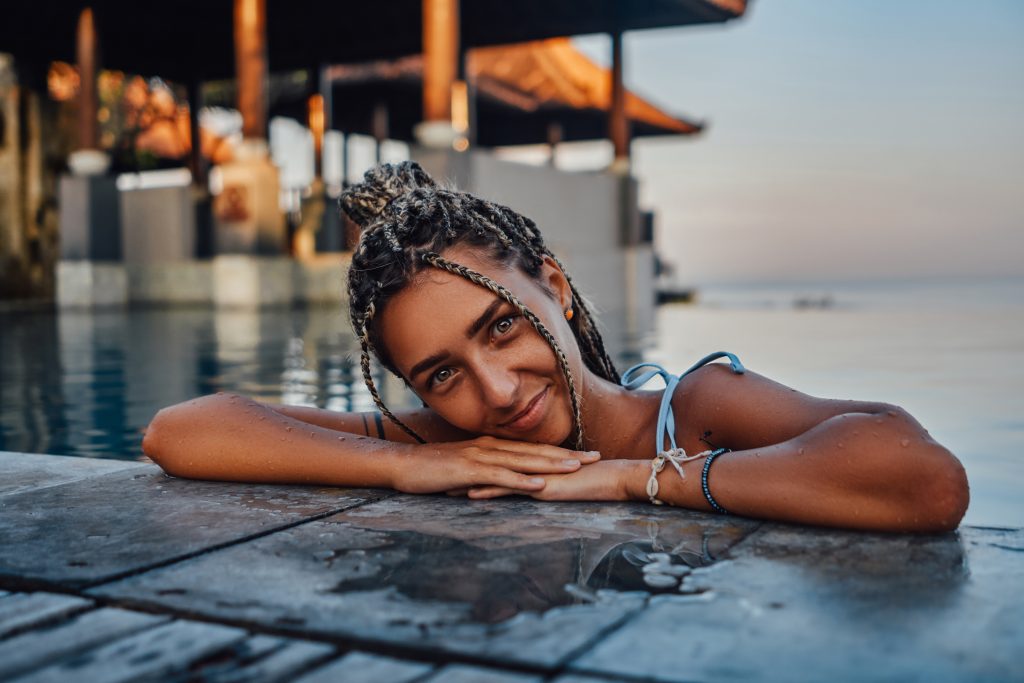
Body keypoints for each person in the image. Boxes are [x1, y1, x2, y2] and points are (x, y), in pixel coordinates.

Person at [143, 162, 969, 533]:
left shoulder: (689, 412)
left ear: (556, 285)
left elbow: (923, 475)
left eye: (501, 324)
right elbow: (183, 430)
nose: (496, 390)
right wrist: (407, 463)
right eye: (441, 374)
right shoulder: (455, 442)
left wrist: (635, 480)